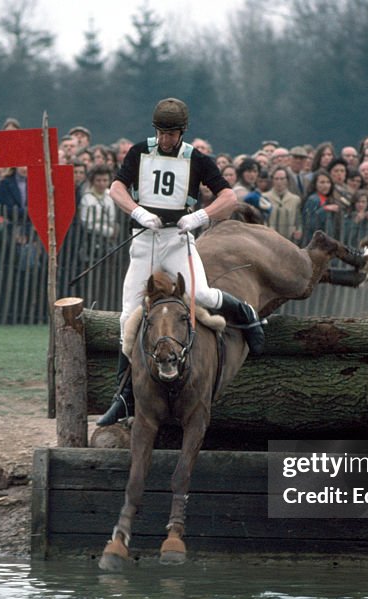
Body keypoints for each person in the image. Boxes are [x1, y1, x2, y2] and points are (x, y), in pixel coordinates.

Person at [96, 97, 258, 427]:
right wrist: (137, 211)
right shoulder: (140, 152)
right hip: (144, 241)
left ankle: (244, 312)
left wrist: (200, 215)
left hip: (177, 240)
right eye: (161, 132)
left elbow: (228, 196)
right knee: (129, 317)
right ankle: (123, 397)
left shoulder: (196, 159)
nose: (166, 139)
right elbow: (116, 189)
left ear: (183, 132)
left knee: (200, 296)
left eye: (171, 134)